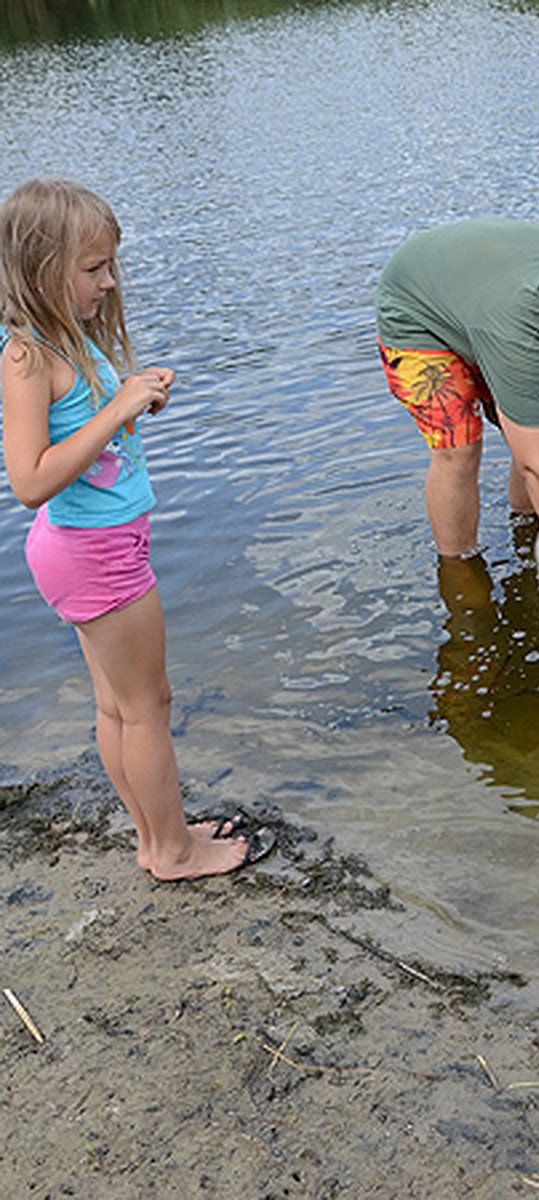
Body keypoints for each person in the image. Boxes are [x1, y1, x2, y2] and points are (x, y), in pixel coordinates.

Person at [0, 177, 274, 881]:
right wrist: (117, 410)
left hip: (94, 549)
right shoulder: (27, 355)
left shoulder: (62, 340)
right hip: (94, 555)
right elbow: (30, 480)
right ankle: (174, 852)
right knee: (149, 707)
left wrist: (130, 402)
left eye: (110, 265)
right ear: (41, 268)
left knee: (117, 706)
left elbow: (85, 437)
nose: (109, 282)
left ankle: (158, 834)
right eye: (93, 269)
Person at [375, 217, 539, 602]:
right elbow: (536, 468)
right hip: (420, 315)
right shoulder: (519, 334)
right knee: (460, 449)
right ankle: (461, 574)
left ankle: (527, 529)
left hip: (481, 301)